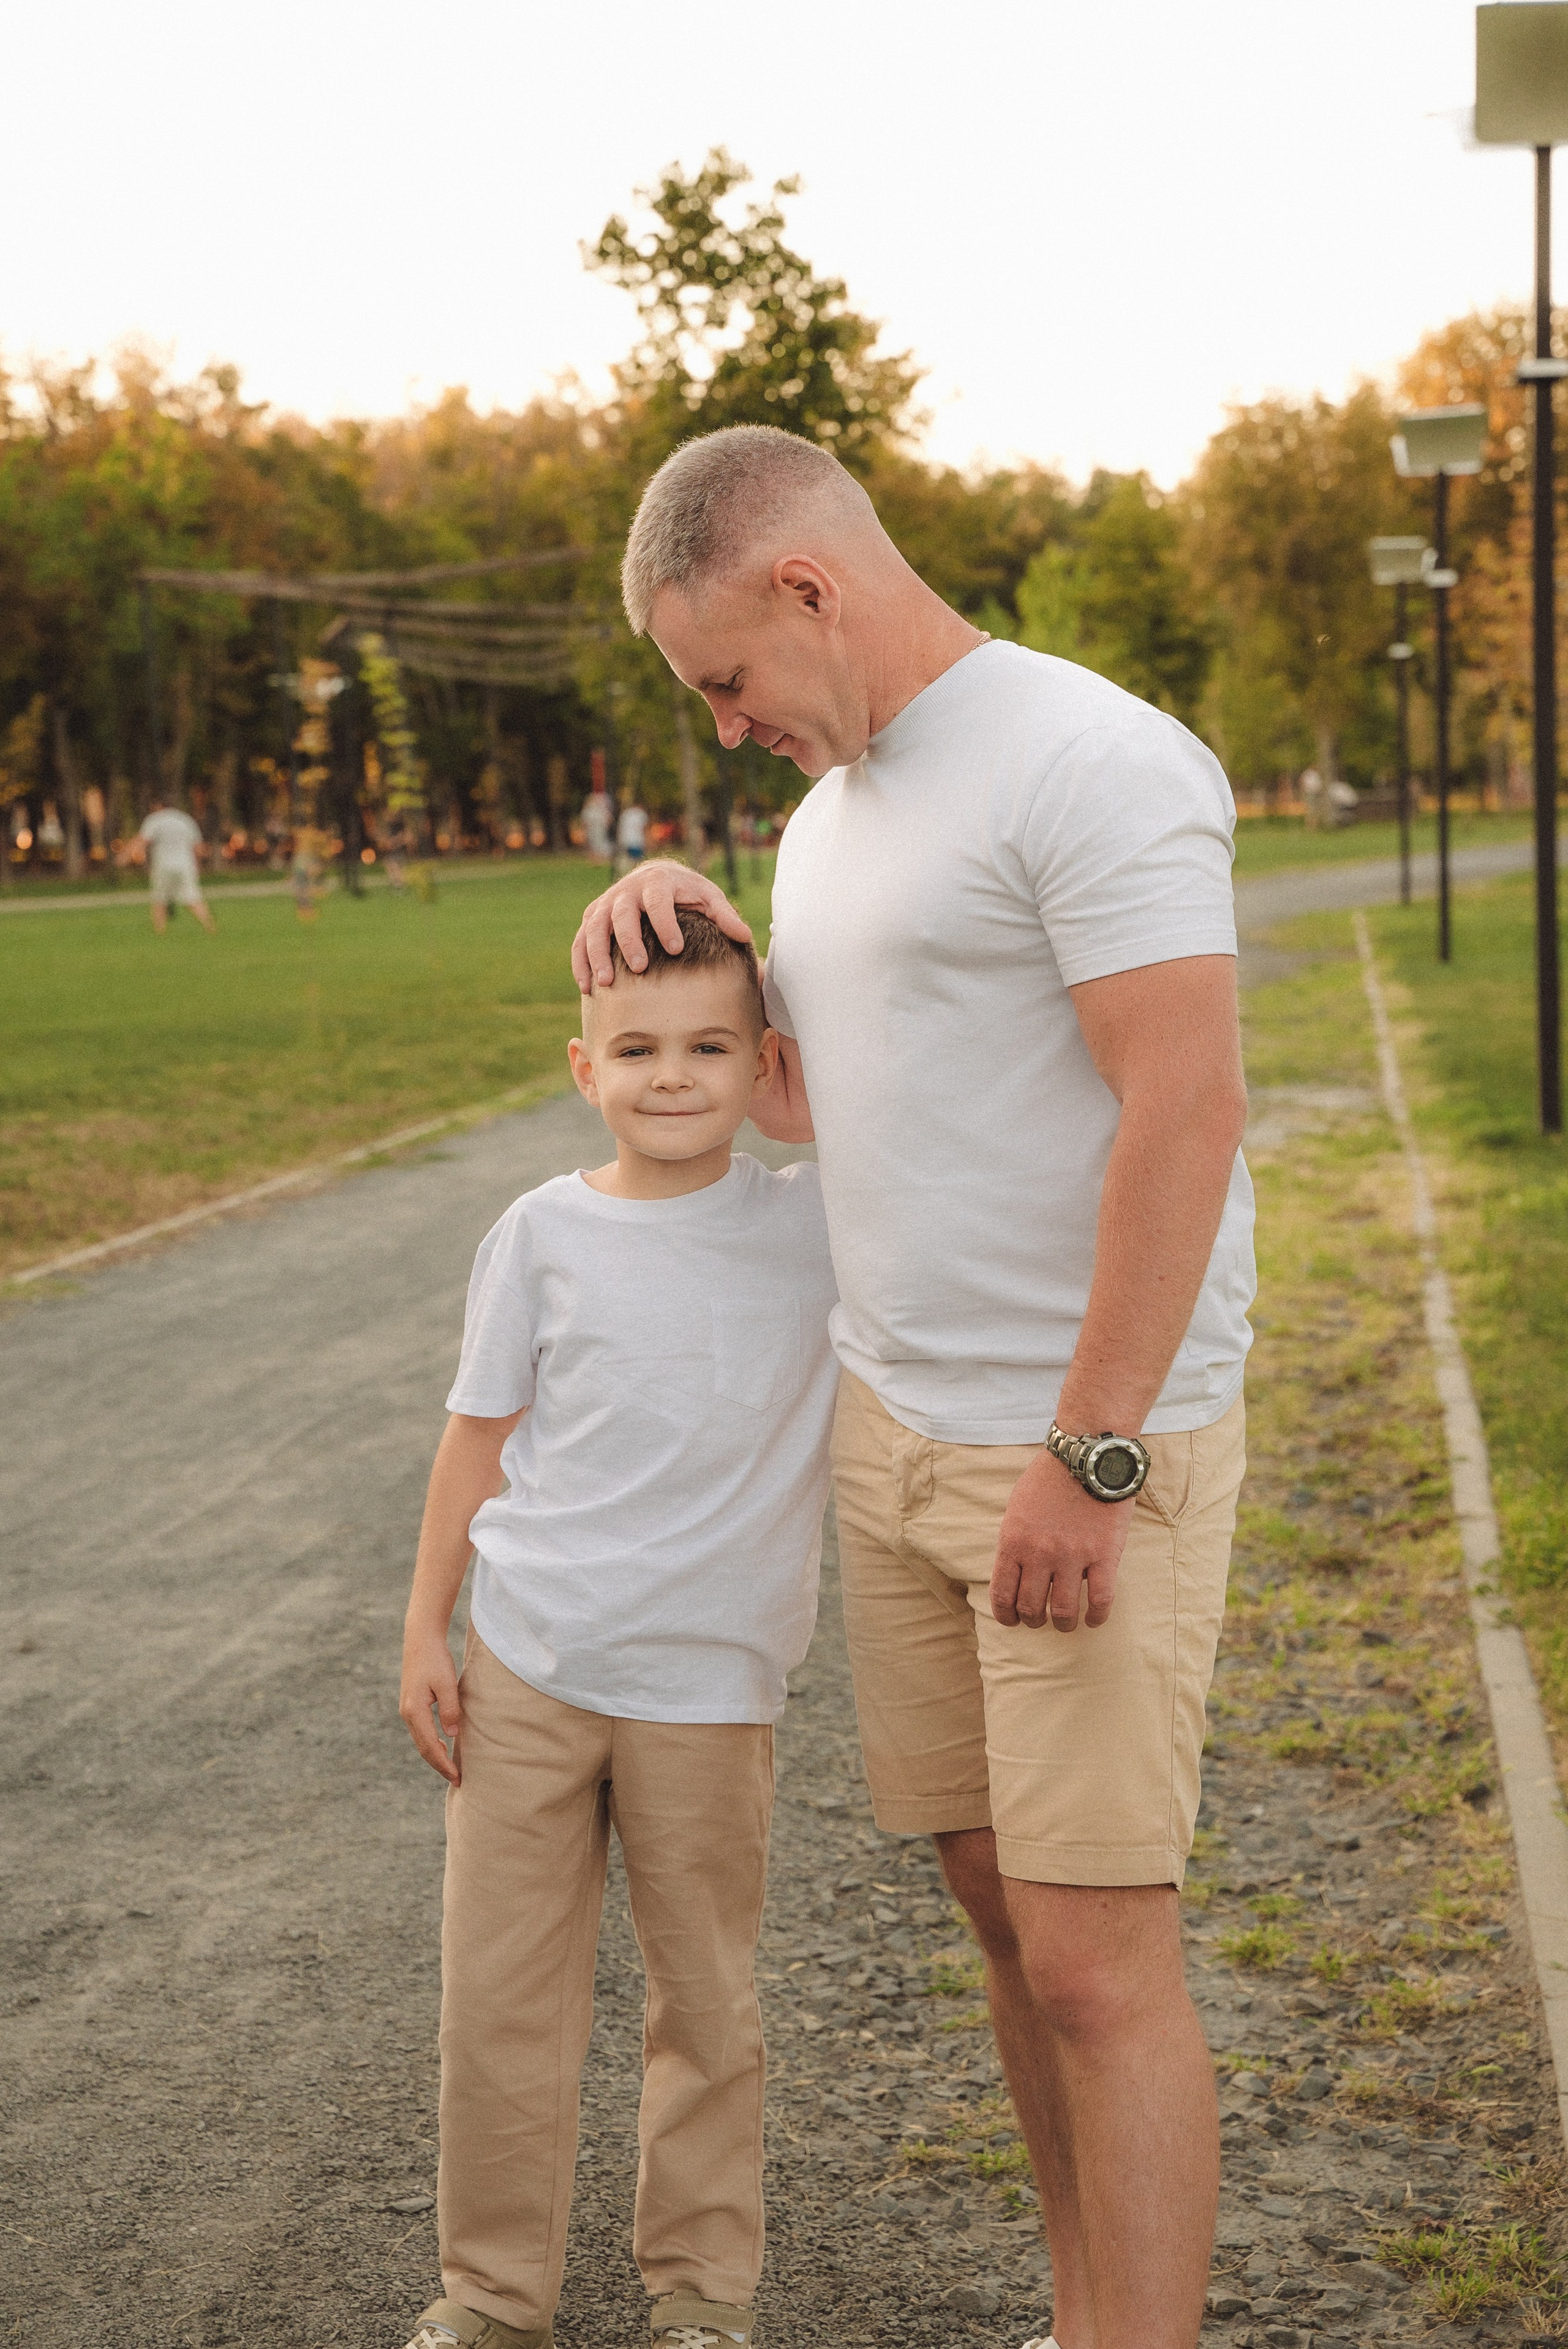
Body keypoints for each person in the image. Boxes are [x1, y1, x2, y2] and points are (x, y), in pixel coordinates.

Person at [573, 424, 1255, 2349]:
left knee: (1100, 1964)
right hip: (899, 1443)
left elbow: (1185, 1104)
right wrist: (659, 913)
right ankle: (1083, 2316)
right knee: (1003, 1917)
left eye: (723, 679)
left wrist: (1089, 1453)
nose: (721, 726)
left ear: (807, 587)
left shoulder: (1090, 759)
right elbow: (831, 1094)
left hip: (1080, 1446)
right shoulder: (824, 819)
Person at [397, 910, 839, 2349]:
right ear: (581, 1065)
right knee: (501, 1997)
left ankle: (700, 2285)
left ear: (762, 1062)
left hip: (709, 1680)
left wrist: (772, 1027)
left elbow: (891, 1110)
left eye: (709, 1046)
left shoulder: (811, 1223)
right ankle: (489, 2291)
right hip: (532, 1659)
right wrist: (425, 1626)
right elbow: (473, 1444)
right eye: (636, 1048)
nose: (670, 1075)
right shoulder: (539, 1232)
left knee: (704, 1997)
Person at [137, 797, 216, 934]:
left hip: (163, 866)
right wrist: (199, 865)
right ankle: (211, 928)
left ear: (158, 806)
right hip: (186, 865)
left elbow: (143, 840)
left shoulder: (155, 819)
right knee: (193, 898)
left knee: (160, 900)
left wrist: (124, 857)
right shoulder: (185, 819)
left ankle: (160, 933)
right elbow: (198, 847)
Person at [615, 796, 649, 872]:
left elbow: (620, 828)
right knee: (637, 861)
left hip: (625, 840)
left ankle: (625, 871)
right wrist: (647, 841)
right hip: (637, 841)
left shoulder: (626, 813)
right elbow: (643, 829)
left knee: (628, 858)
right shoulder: (641, 814)